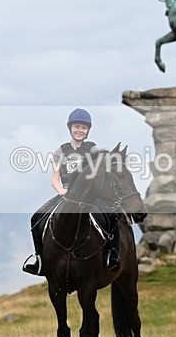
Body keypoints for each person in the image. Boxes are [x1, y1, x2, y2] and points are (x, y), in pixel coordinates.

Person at [22, 109, 120, 275]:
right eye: (77, 126)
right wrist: (62, 191)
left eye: (83, 127)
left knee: (112, 215)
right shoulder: (60, 151)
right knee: (36, 218)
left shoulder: (93, 149)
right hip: (66, 194)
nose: (80, 130)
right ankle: (39, 259)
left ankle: (112, 254)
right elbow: (55, 179)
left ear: (88, 130)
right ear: (70, 128)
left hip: (91, 196)